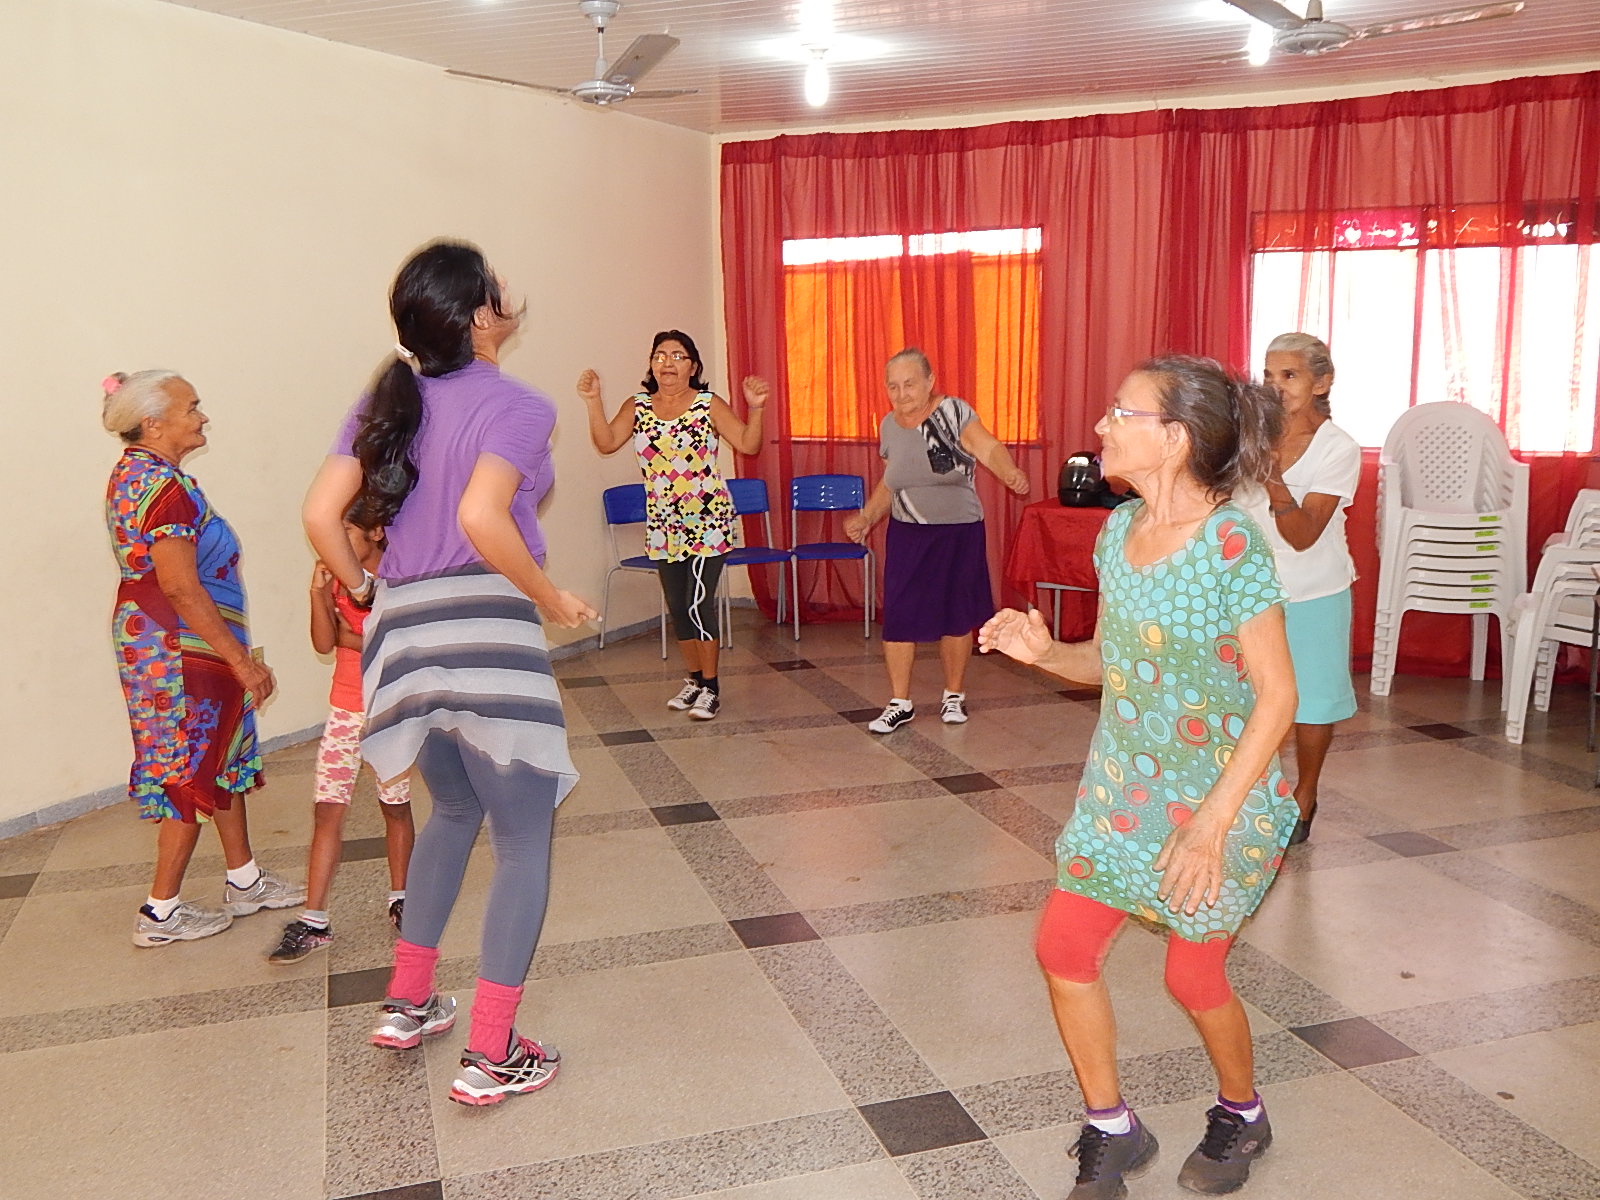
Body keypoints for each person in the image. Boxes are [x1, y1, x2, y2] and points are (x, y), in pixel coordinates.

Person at [979, 357, 1298, 1198]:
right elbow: (1113, 667)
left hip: (1226, 794)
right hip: (1124, 787)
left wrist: (1213, 823)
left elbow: (1279, 696)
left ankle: (1242, 1111)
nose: (1102, 426)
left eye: (1122, 412)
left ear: (1175, 439)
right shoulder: (1118, 532)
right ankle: (1111, 1128)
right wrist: (1047, 653)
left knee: (1190, 975)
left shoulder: (1232, 543)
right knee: (1061, 947)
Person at [303, 239, 596, 1106]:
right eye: (497, 283)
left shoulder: (382, 401)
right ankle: (493, 1052)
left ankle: (407, 1001)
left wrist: (366, 591)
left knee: (453, 809)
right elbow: (482, 515)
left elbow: (321, 513)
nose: (512, 285)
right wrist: (547, 595)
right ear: (479, 317)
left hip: (402, 634)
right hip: (483, 627)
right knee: (522, 836)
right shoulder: (516, 404)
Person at [102, 370, 304, 947]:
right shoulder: (163, 488)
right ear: (153, 422)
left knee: (218, 755)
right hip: (179, 648)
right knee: (187, 766)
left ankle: (244, 880)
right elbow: (181, 587)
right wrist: (241, 661)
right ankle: (159, 912)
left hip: (176, 643)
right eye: (191, 407)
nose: (202, 417)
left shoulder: (141, 475)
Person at [579, 332, 769, 720]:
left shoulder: (707, 405)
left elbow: (748, 445)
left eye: (678, 356)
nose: (668, 362)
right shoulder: (638, 407)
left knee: (699, 603)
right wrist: (594, 401)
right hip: (664, 524)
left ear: (693, 367)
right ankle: (695, 680)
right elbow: (606, 441)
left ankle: (711, 688)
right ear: (651, 364)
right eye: (660, 355)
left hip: (708, 521)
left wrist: (757, 409)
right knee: (678, 606)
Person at [843, 347, 1030, 733]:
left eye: (909, 383)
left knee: (955, 616)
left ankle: (953, 695)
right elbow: (891, 481)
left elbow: (988, 447)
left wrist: (1009, 471)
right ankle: (899, 702)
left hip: (958, 531)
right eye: (892, 386)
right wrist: (866, 516)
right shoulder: (889, 426)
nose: (901, 393)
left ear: (930, 381)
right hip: (907, 532)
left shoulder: (953, 412)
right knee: (898, 617)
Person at [266, 500, 414, 964]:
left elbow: (393, 638)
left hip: (391, 710)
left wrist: (352, 633)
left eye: (344, 532)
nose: (331, 543)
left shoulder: (398, 573)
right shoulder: (333, 578)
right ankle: (314, 920)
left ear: (375, 532)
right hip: (346, 708)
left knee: (396, 808)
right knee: (327, 812)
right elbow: (324, 643)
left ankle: (402, 898)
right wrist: (317, 596)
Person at [1236, 333, 1360, 844]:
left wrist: (1274, 482)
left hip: (1314, 590)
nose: (1275, 386)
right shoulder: (1249, 439)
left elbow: (1305, 536)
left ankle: (1304, 795)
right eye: (1268, 376)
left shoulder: (1339, 448)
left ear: (1322, 383)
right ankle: (1245, 794)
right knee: (1246, 697)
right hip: (1247, 590)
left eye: (1289, 375)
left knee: (1312, 703)